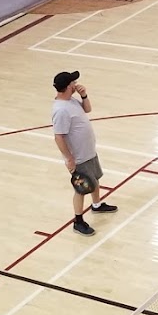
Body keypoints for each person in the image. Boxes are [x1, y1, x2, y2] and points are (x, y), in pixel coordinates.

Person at [51, 71, 117, 236]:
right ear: (68, 87)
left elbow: (87, 109)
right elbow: (58, 137)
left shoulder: (71, 100)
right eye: (73, 82)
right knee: (80, 190)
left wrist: (84, 95)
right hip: (79, 157)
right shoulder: (61, 110)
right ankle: (78, 221)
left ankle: (96, 205)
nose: (76, 83)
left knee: (95, 179)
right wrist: (69, 159)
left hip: (89, 152)